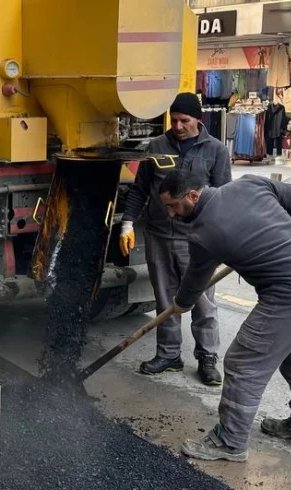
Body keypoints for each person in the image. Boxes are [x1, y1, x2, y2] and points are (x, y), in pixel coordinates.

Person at [157, 170, 291, 462]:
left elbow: (194, 282)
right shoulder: (250, 183)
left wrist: (180, 305)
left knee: (243, 364)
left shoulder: (203, 234)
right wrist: (280, 235)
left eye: (174, 206)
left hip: (290, 294)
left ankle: (230, 441)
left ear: (193, 195)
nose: (171, 214)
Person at [118, 92, 231, 385]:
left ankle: (207, 358)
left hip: (198, 240)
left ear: (198, 120)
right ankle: (169, 355)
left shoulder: (216, 150)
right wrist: (127, 223)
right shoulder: (156, 146)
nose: (178, 126)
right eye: (174, 120)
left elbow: (223, 197)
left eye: (184, 120)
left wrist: (221, 239)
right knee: (166, 300)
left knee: (203, 303)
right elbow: (140, 189)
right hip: (159, 236)